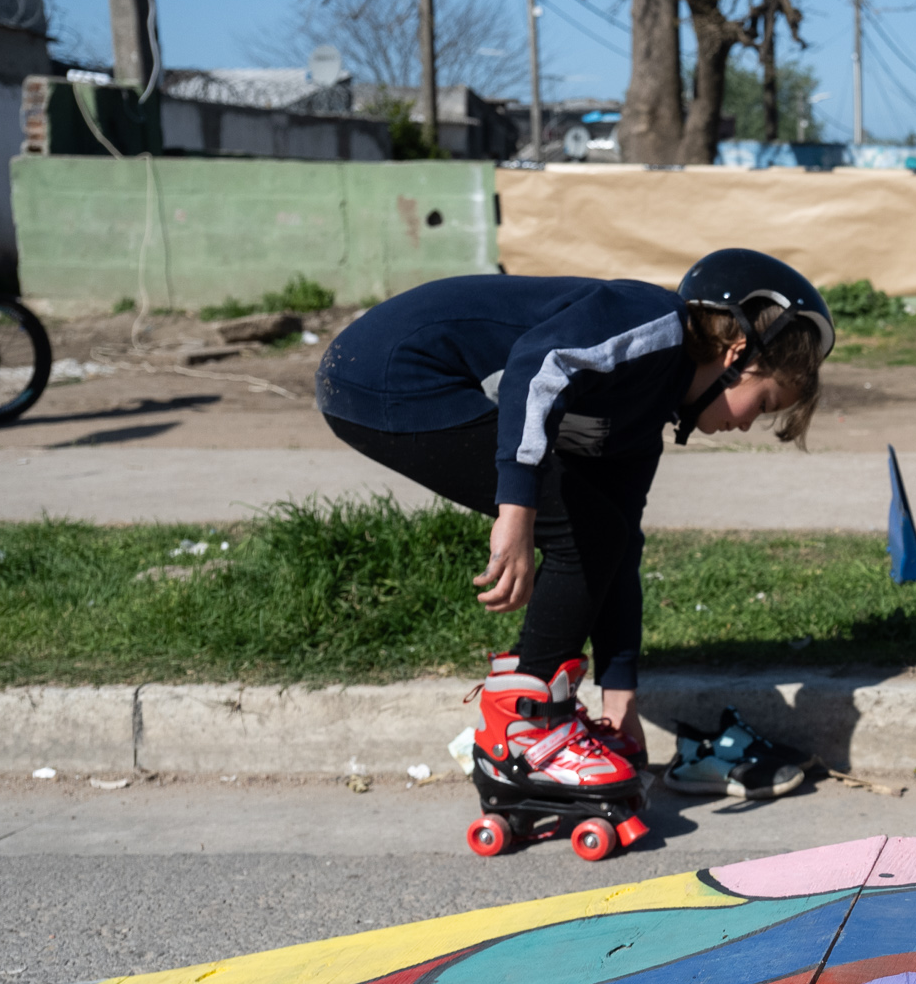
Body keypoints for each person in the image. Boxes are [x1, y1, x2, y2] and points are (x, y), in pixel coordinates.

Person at [315, 250, 831, 799]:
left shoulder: (640, 420)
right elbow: (540, 365)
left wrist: (620, 697)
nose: (751, 422)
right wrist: (517, 513)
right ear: (736, 353)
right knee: (582, 528)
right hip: (389, 371)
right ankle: (529, 729)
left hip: (409, 382)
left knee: (603, 531)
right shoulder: (651, 322)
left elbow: (619, 544)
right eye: (765, 400)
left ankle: (539, 722)